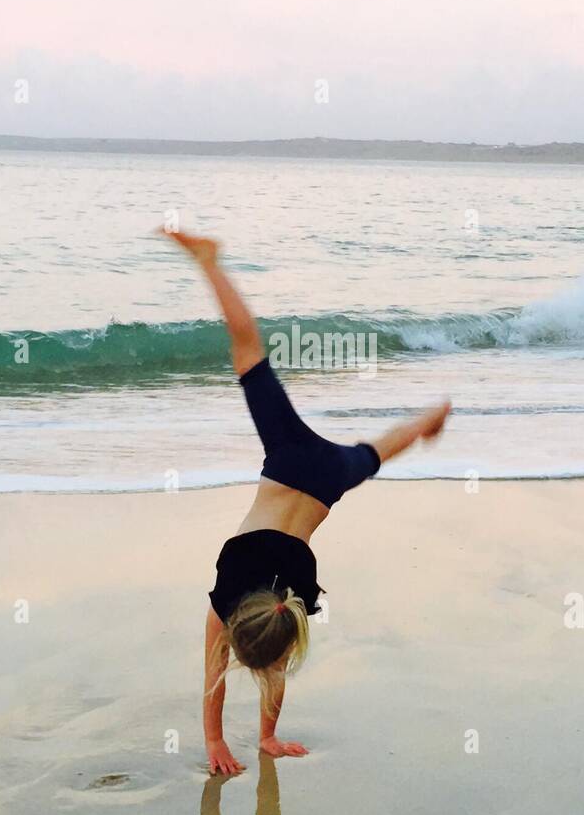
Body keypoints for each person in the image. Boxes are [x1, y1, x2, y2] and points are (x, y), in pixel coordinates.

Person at [161, 230, 451, 775]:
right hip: (290, 458)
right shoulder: (229, 602)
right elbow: (216, 675)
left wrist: (230, 743)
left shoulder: (292, 604)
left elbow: (262, 666)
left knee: (376, 453)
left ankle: (426, 422)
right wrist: (218, 740)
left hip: (325, 480)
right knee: (248, 354)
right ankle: (209, 262)